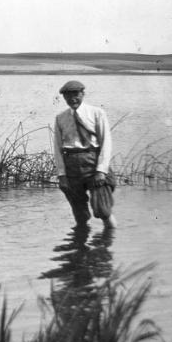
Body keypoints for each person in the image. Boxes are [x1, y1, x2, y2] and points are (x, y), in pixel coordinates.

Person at [53, 80, 117, 230]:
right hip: (71, 168)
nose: (72, 99)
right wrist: (62, 175)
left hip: (92, 163)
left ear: (83, 94)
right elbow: (57, 148)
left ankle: (108, 244)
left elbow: (106, 143)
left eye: (75, 94)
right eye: (67, 96)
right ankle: (80, 247)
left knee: (103, 211)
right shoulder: (60, 118)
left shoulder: (97, 113)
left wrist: (101, 171)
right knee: (80, 215)